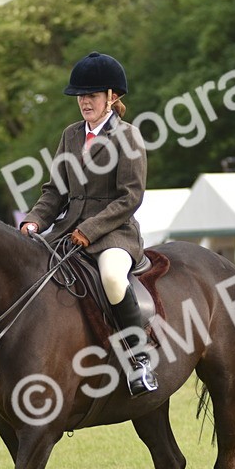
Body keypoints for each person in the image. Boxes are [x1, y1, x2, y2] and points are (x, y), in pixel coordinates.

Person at [19, 51, 157, 397]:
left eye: (92, 95)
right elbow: (54, 191)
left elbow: (130, 197)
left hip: (114, 233)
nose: (84, 102)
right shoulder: (70, 136)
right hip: (68, 230)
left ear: (112, 97)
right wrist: (34, 222)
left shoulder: (128, 137)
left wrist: (91, 230)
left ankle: (139, 358)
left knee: (111, 277)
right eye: (81, 96)